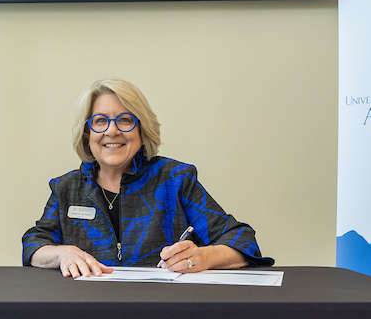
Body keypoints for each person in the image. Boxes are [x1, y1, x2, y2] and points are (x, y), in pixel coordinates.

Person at [23, 78, 272, 277]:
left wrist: (203, 257)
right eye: (100, 121)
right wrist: (60, 254)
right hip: (87, 317)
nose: (112, 130)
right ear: (87, 133)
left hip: (163, 316)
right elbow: (33, 244)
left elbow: (243, 241)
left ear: (142, 130)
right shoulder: (66, 188)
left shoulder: (175, 180)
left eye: (125, 120)